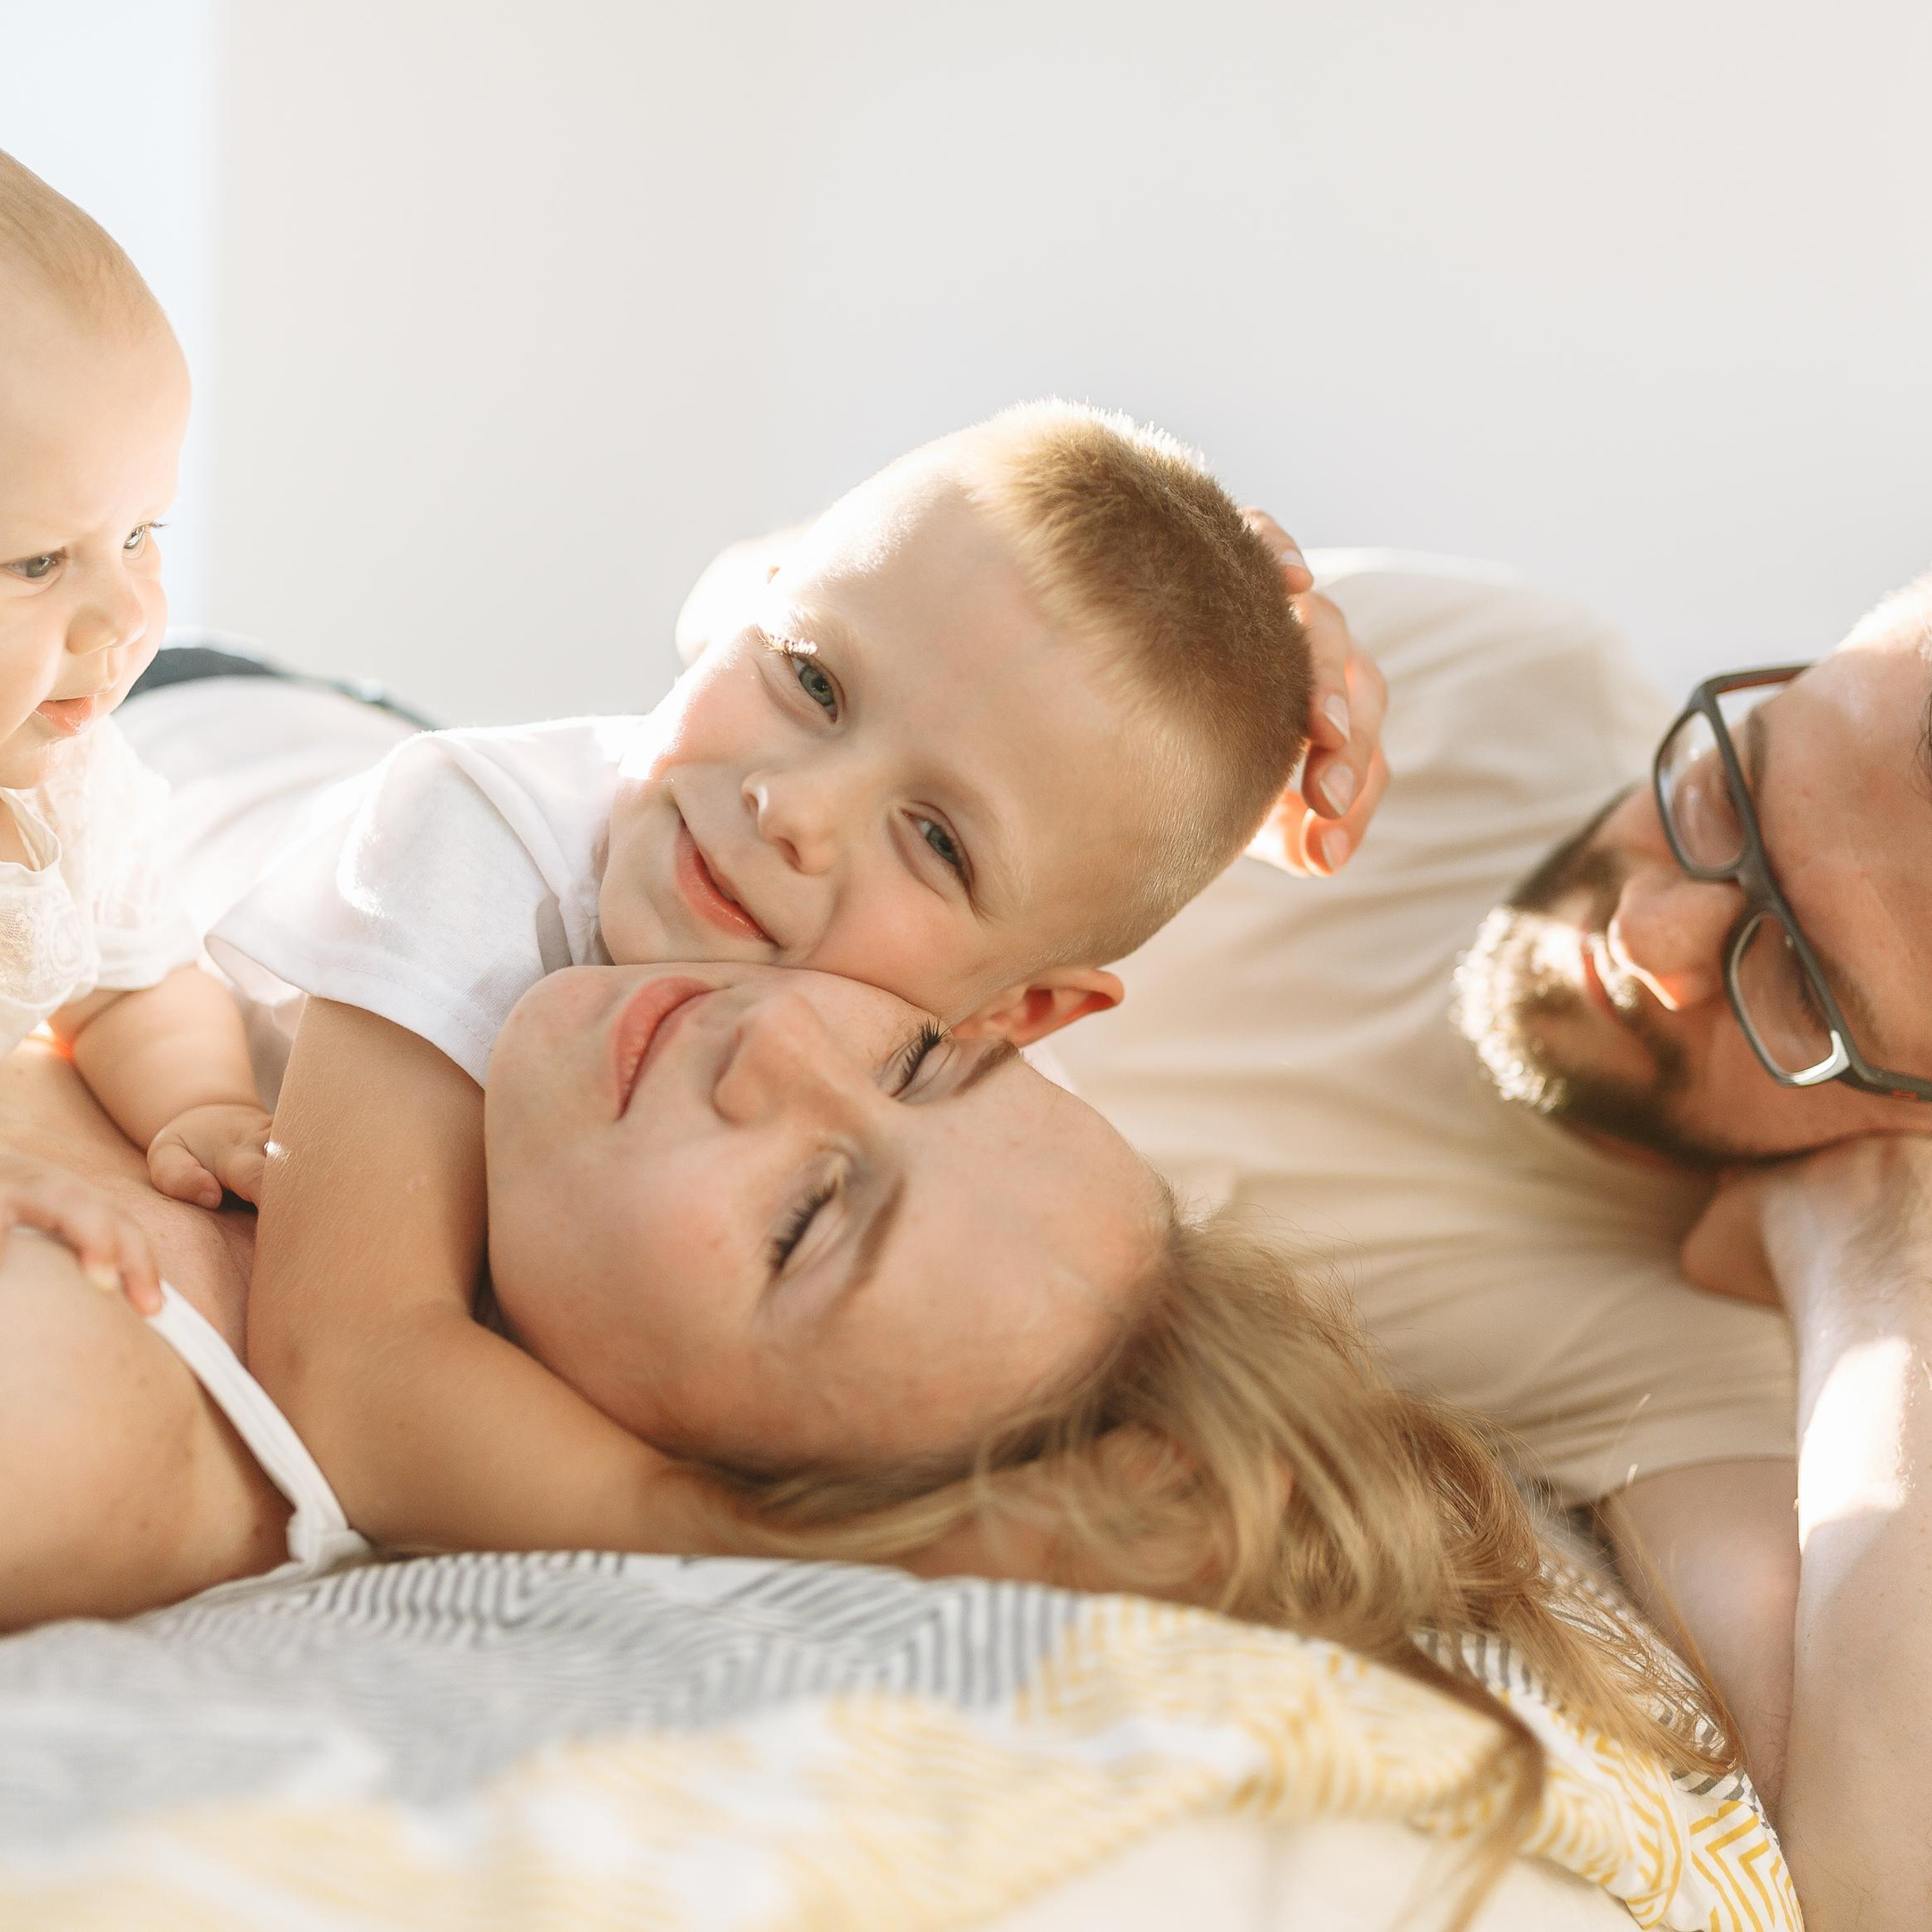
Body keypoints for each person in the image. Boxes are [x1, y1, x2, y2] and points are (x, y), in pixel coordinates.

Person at [0, 955, 1741, 1932]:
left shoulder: (121, 1383)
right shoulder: (366, 1081)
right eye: (918, 1053)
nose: (775, 1037)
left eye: (806, 1217)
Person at [202, 402, 1395, 1564]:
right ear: (758, 613)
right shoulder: (472, 832)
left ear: (1013, 1016)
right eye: (813, 681)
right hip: (210, 725)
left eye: (936, 840)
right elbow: (348, 1367)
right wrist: (778, 1544)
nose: (793, 805)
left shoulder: (942, 1103)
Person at [1045, 555, 1932, 1928]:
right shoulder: (1484, 677)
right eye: (1725, 795)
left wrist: (1876, 1256)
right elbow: (767, 622)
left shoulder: (1708, 1369)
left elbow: (1883, 1887)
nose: (1649, 931)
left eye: (1795, 984)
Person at [0, 151, 271, 1296]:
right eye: (37, 561)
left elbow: (127, 981)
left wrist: (205, 1105)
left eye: (142, 533)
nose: (122, 612)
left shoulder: (64, 791)